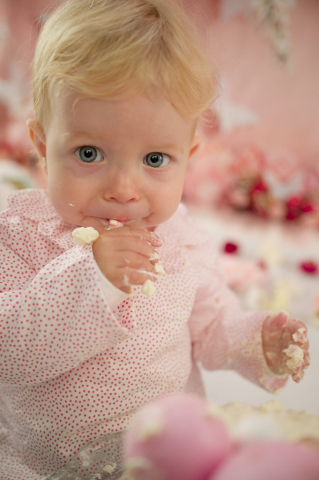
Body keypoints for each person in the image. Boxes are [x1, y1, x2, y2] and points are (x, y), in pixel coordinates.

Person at [0, 0, 310, 478]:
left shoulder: (182, 240)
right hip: (43, 462)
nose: (123, 190)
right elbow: (12, 352)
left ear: (188, 154)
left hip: (162, 457)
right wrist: (91, 276)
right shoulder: (22, 233)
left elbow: (211, 329)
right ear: (43, 146)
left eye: (155, 160)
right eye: (89, 152)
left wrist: (256, 341)